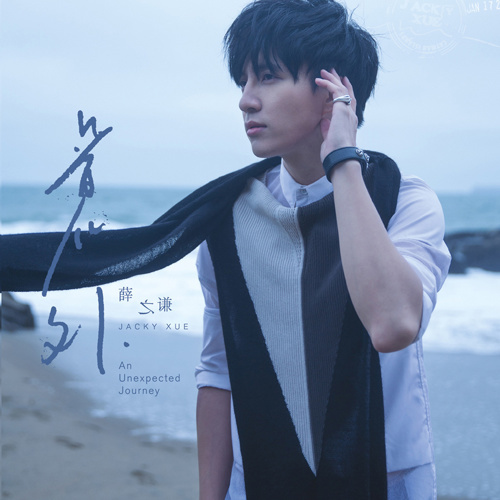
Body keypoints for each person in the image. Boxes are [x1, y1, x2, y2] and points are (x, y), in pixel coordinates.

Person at [194, 0, 451, 499]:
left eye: (268, 77)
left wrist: (343, 161)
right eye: (243, 81)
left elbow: (393, 324)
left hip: (387, 478)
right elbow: (218, 370)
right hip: (261, 477)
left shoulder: (403, 200)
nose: (246, 100)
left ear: (333, 88)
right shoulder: (231, 218)